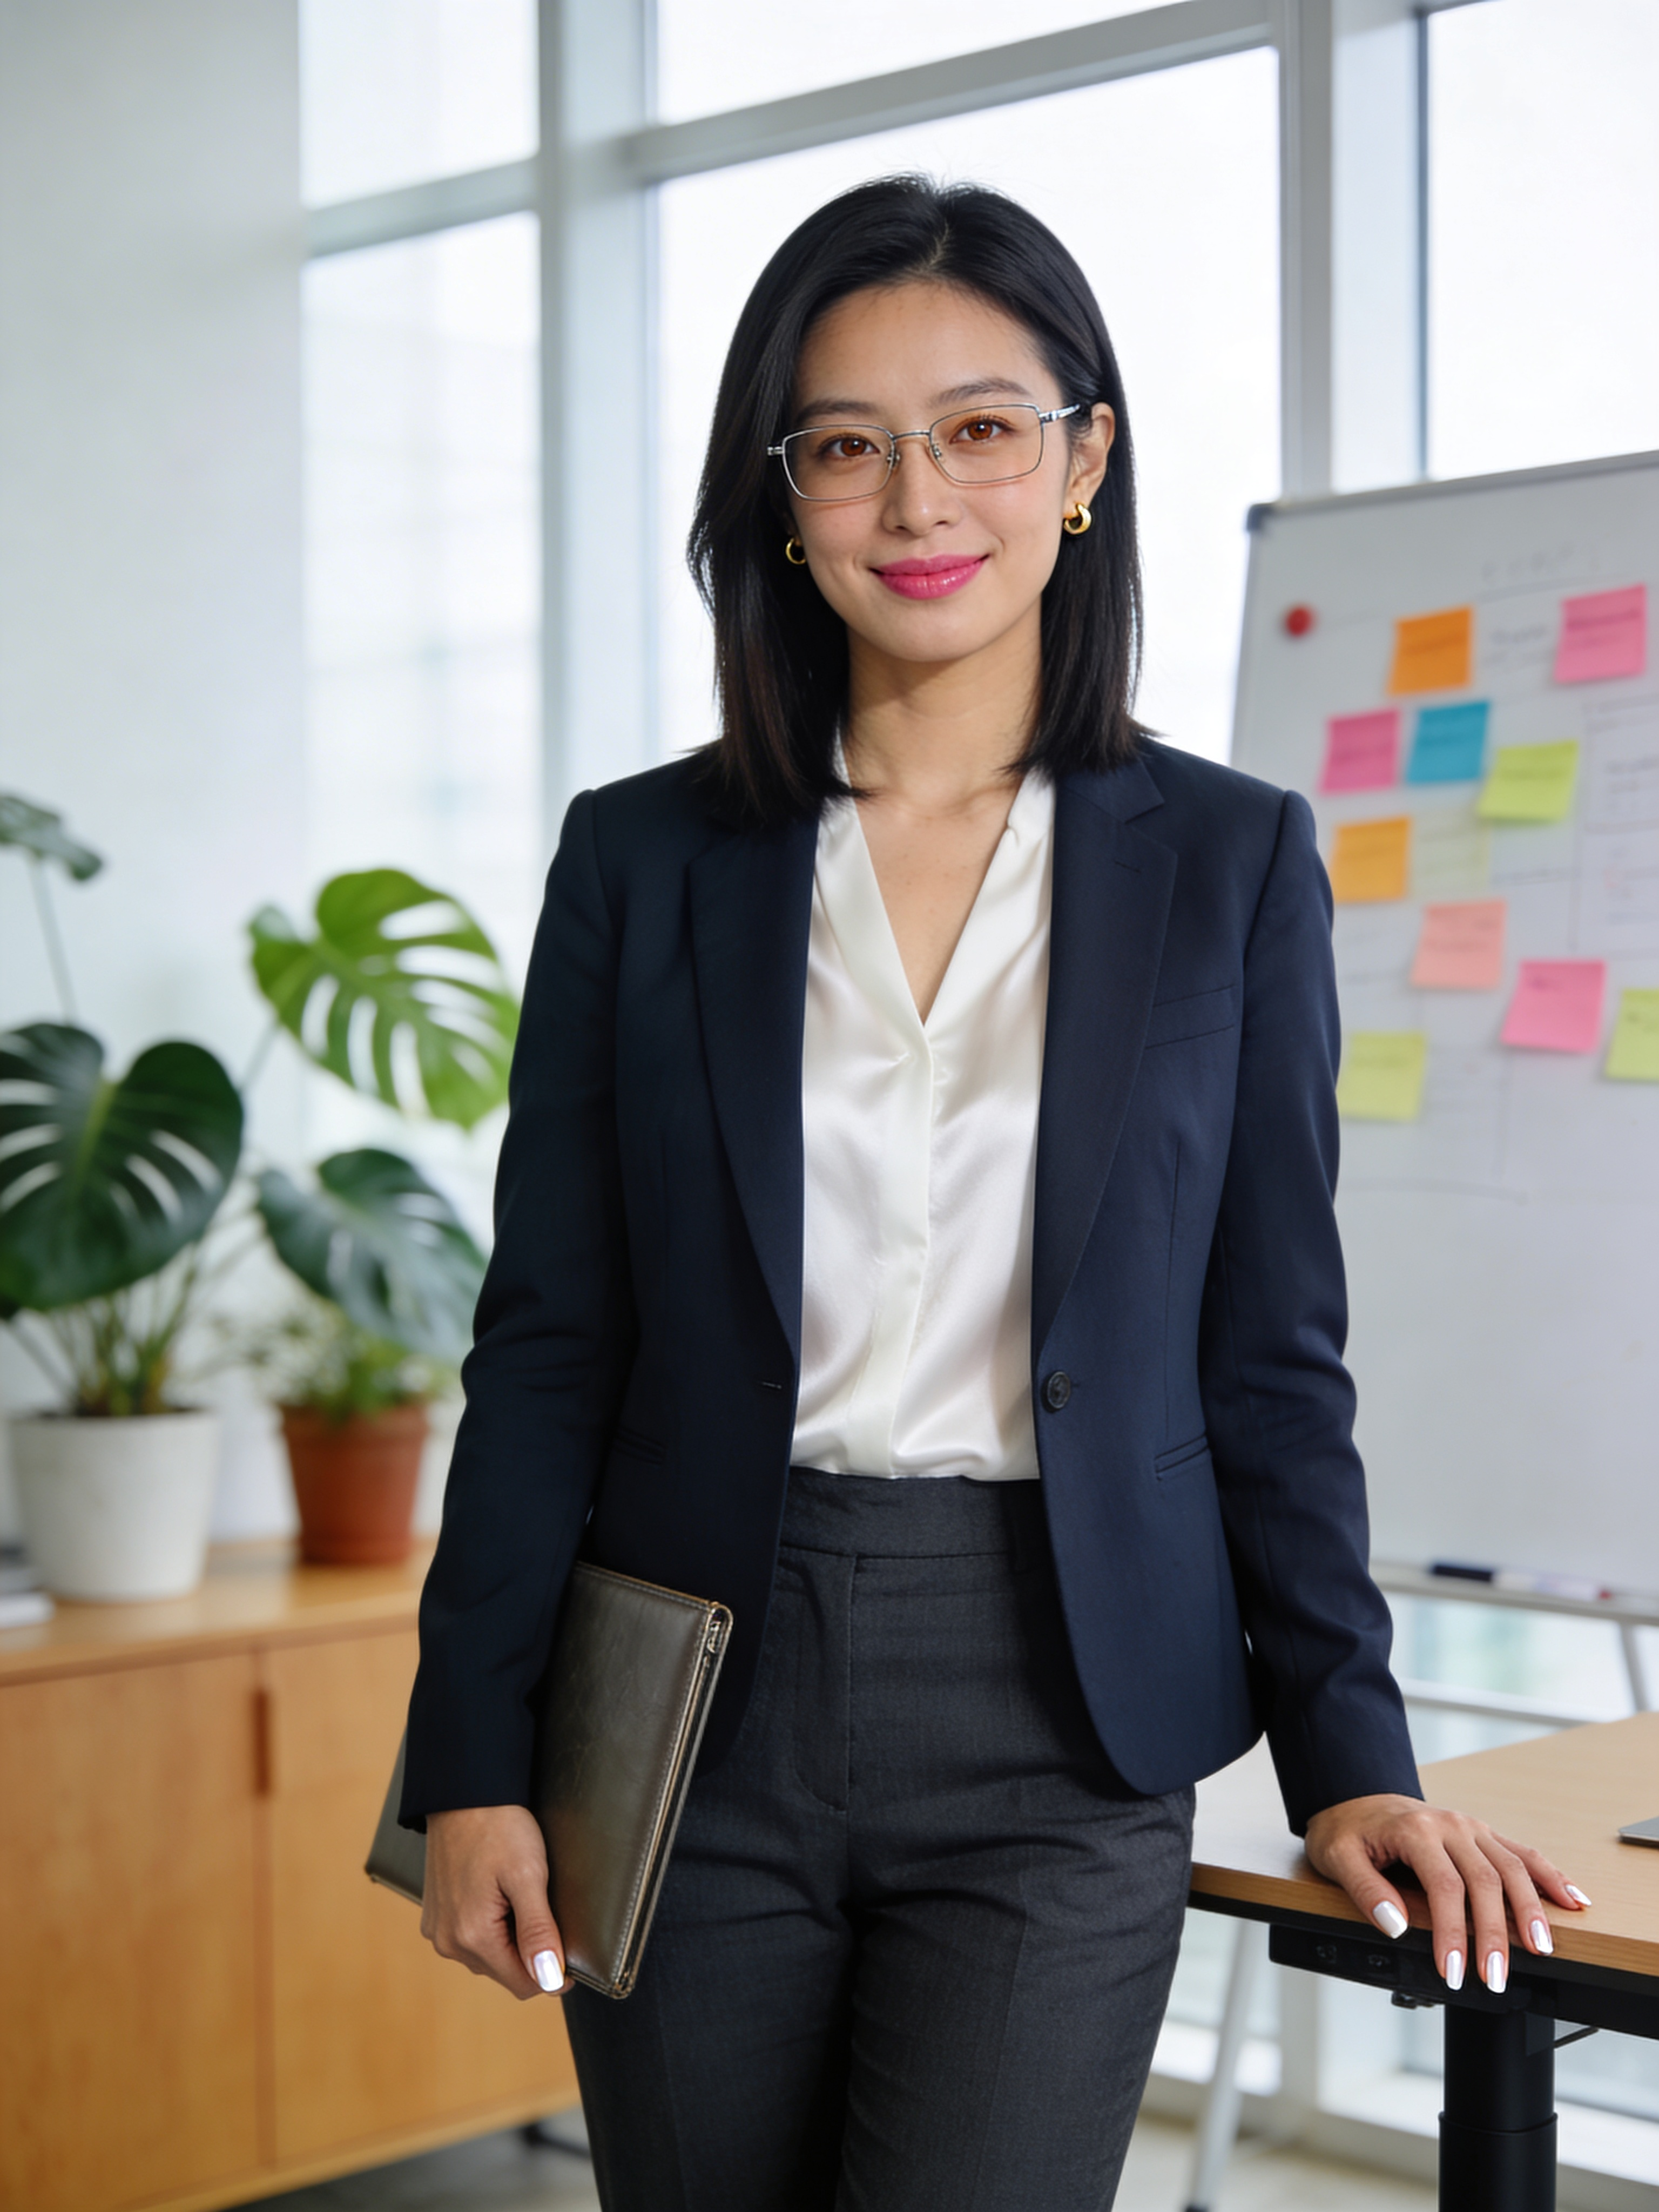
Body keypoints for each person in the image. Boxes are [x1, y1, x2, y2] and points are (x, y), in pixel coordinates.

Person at [402, 176, 1584, 2211]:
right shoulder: (642, 863)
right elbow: (551, 1346)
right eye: (845, 443)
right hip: (696, 1692)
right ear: (783, 497)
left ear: (1084, 458)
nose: (916, 496)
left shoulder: (1229, 863)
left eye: (980, 427)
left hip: (1061, 1715)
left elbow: (1272, 1361)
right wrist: (472, 1763)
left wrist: (1356, 1759)